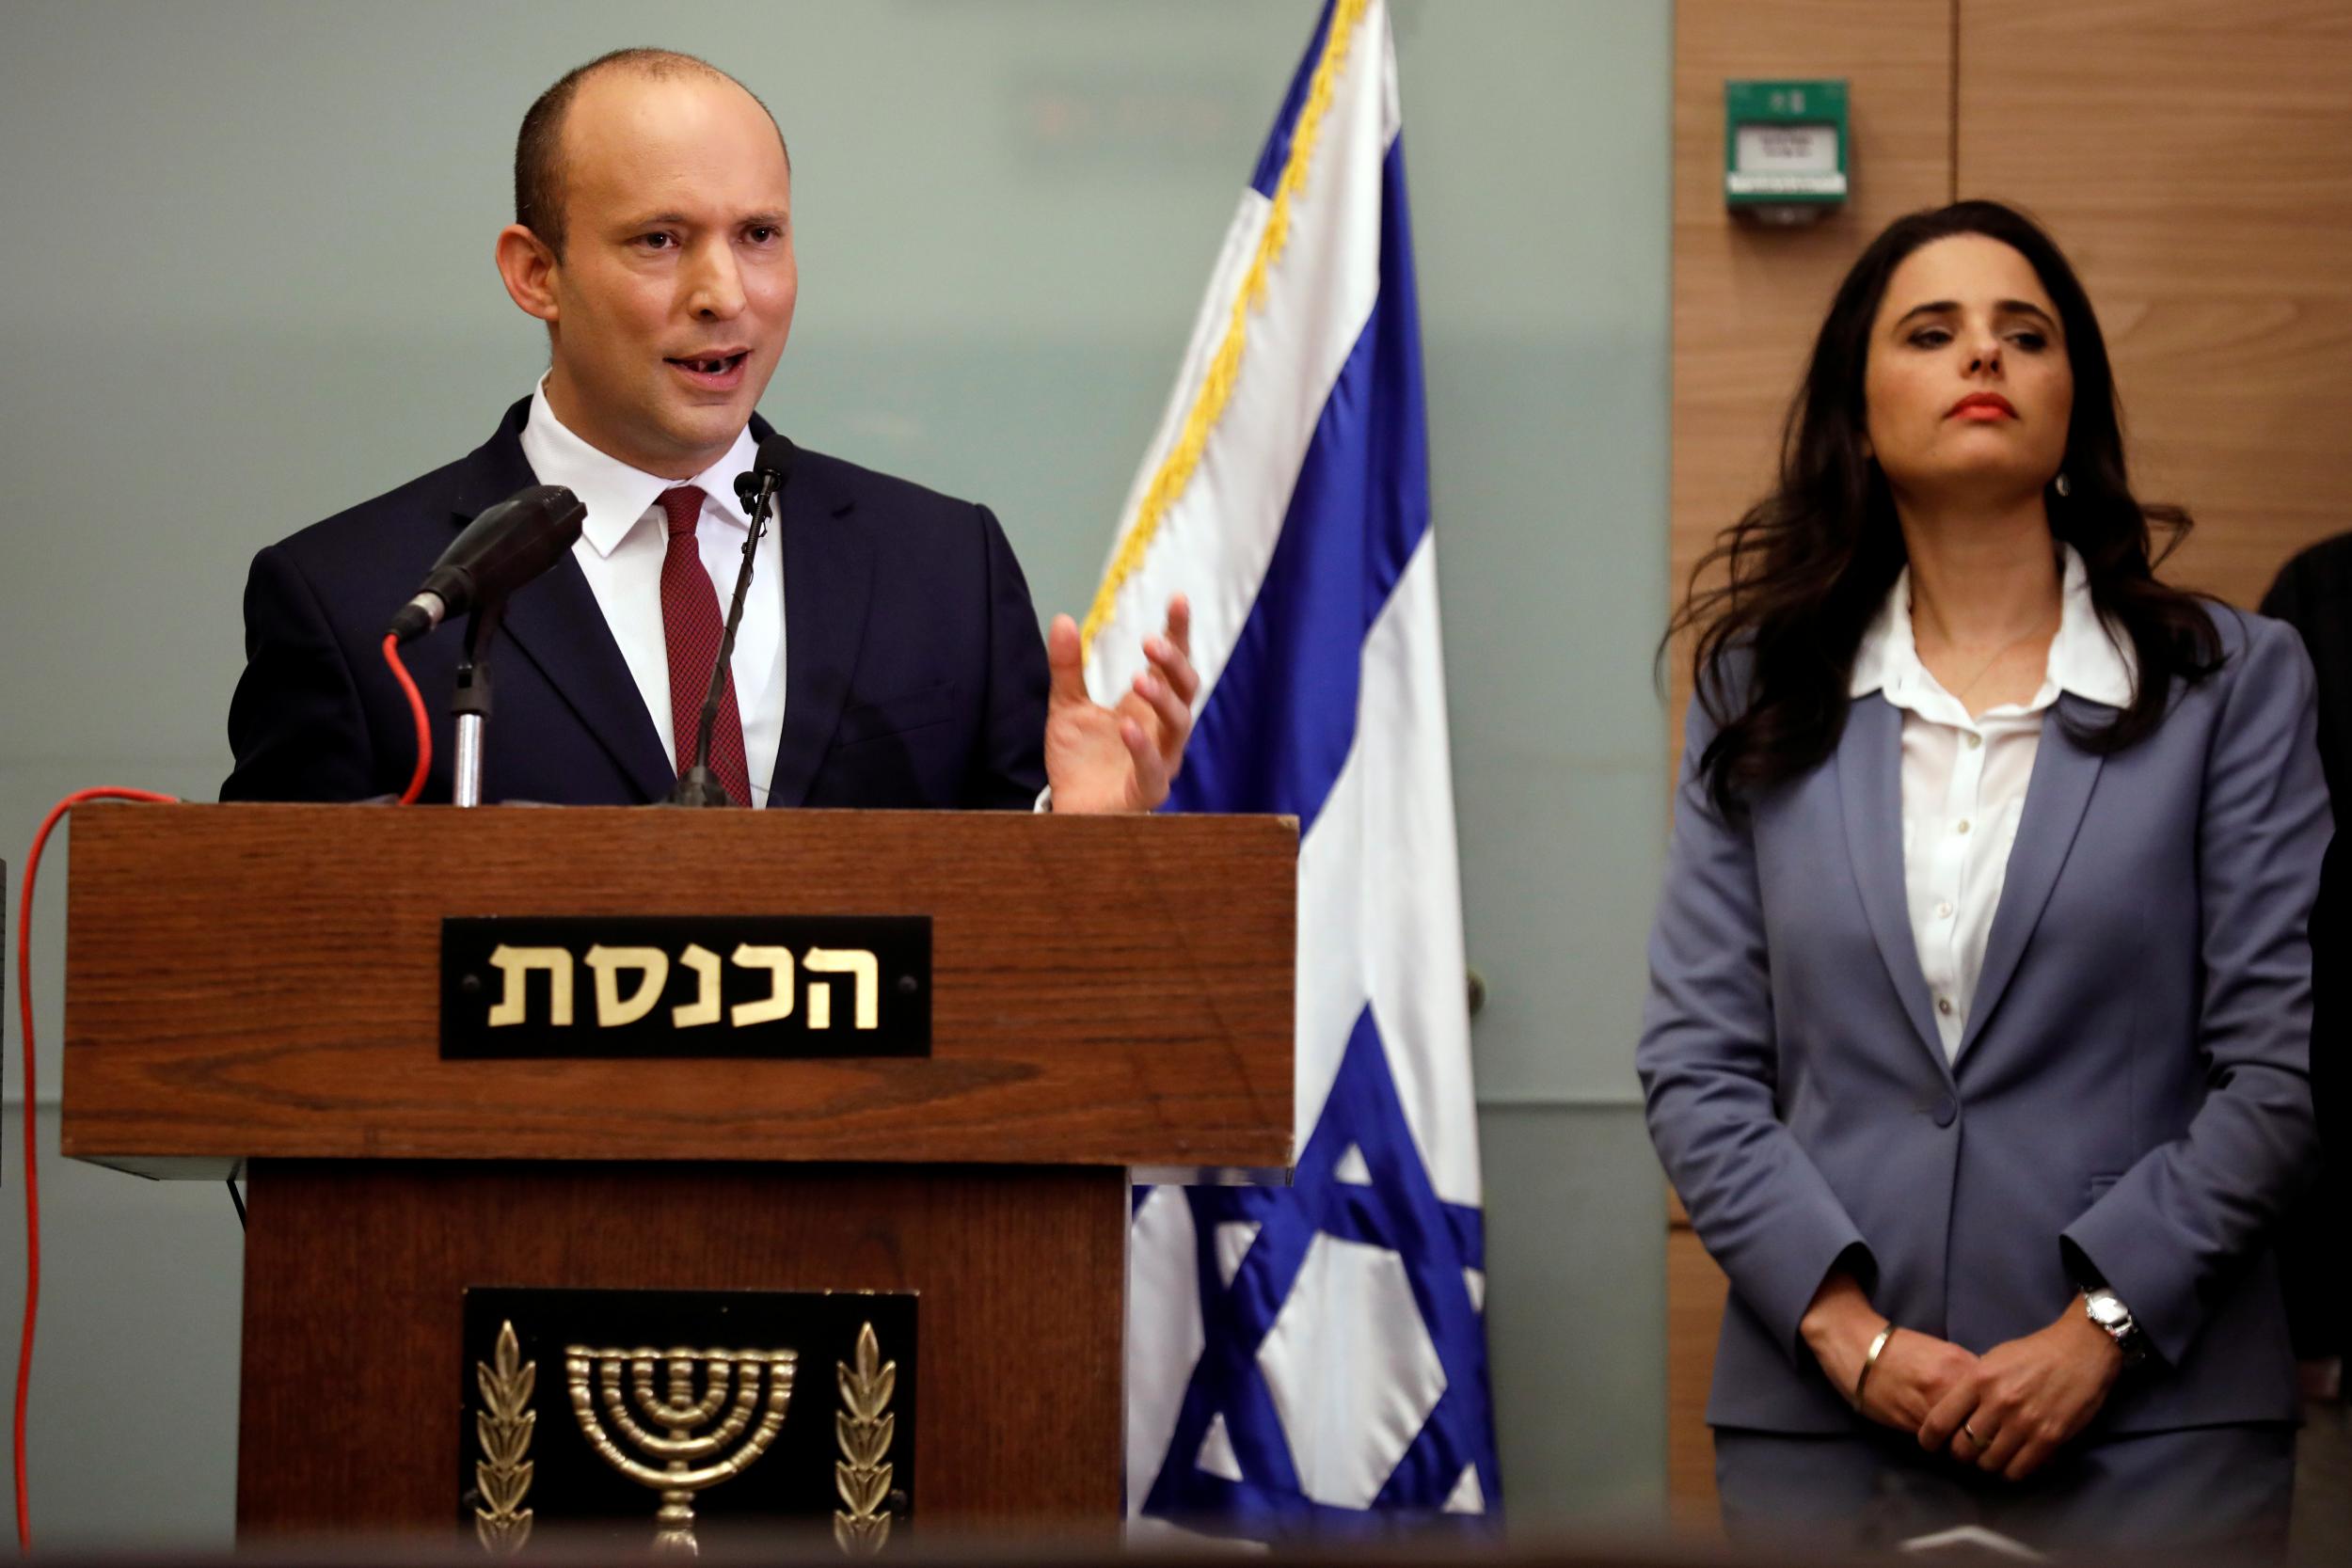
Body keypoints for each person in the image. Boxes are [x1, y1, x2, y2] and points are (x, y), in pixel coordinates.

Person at [1638, 200, 2327, 1552]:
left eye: (2026, 334)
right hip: (1828, 1422)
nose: (1985, 359)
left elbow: (2281, 1066)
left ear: (2077, 399)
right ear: (1859, 405)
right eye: (1933, 332)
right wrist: (1851, 1332)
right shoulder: (1758, 692)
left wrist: (2102, 1327)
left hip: (2158, 1425)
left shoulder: (2231, 685)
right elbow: (1695, 1061)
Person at [223, 48, 1195, 813]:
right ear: (535, 274)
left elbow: (1018, 960)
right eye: (660, 240)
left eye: (758, 235)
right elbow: (276, 962)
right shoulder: (360, 604)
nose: (724, 294)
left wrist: (1084, 842)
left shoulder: (944, 566)